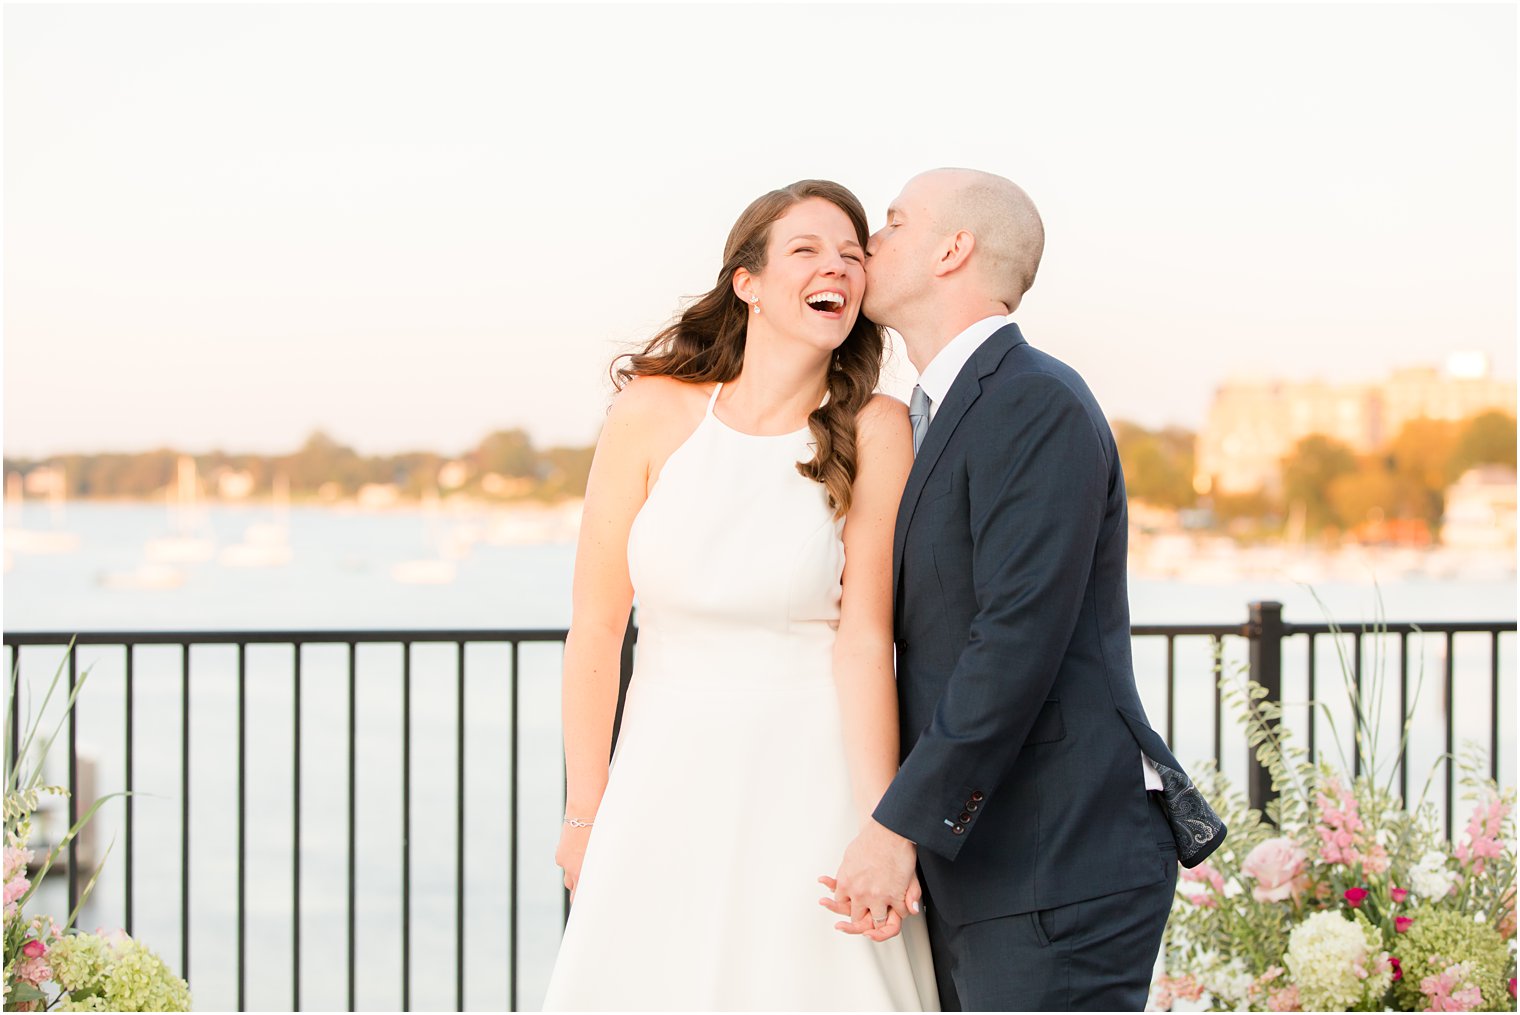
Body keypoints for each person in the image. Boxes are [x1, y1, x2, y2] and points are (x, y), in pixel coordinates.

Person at [824, 169, 1226, 1012]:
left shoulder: (1032, 401)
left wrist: (897, 826)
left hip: (1056, 872)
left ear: (953, 249)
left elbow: (1012, 641)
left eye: (893, 223)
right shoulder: (942, 411)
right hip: (997, 871)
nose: (870, 243)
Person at [542, 180, 938, 1011]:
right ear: (746, 282)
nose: (838, 266)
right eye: (807, 249)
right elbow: (598, 623)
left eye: (852, 253)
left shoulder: (877, 428)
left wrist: (882, 827)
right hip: (662, 777)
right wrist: (586, 814)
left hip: (809, 781)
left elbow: (865, 642)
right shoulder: (650, 411)